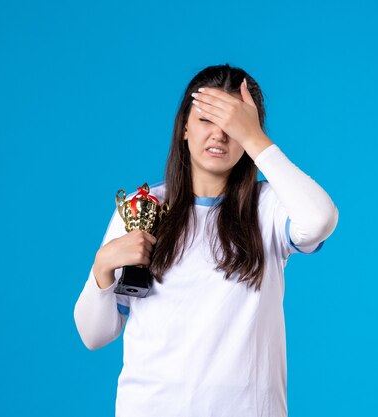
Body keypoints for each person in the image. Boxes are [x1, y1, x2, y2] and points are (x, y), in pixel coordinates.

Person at [73, 63, 339, 417]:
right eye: (206, 119)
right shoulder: (144, 207)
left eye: (233, 124)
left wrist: (256, 139)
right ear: (184, 126)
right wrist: (102, 266)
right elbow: (94, 334)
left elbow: (320, 219)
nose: (220, 134)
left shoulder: (269, 208)